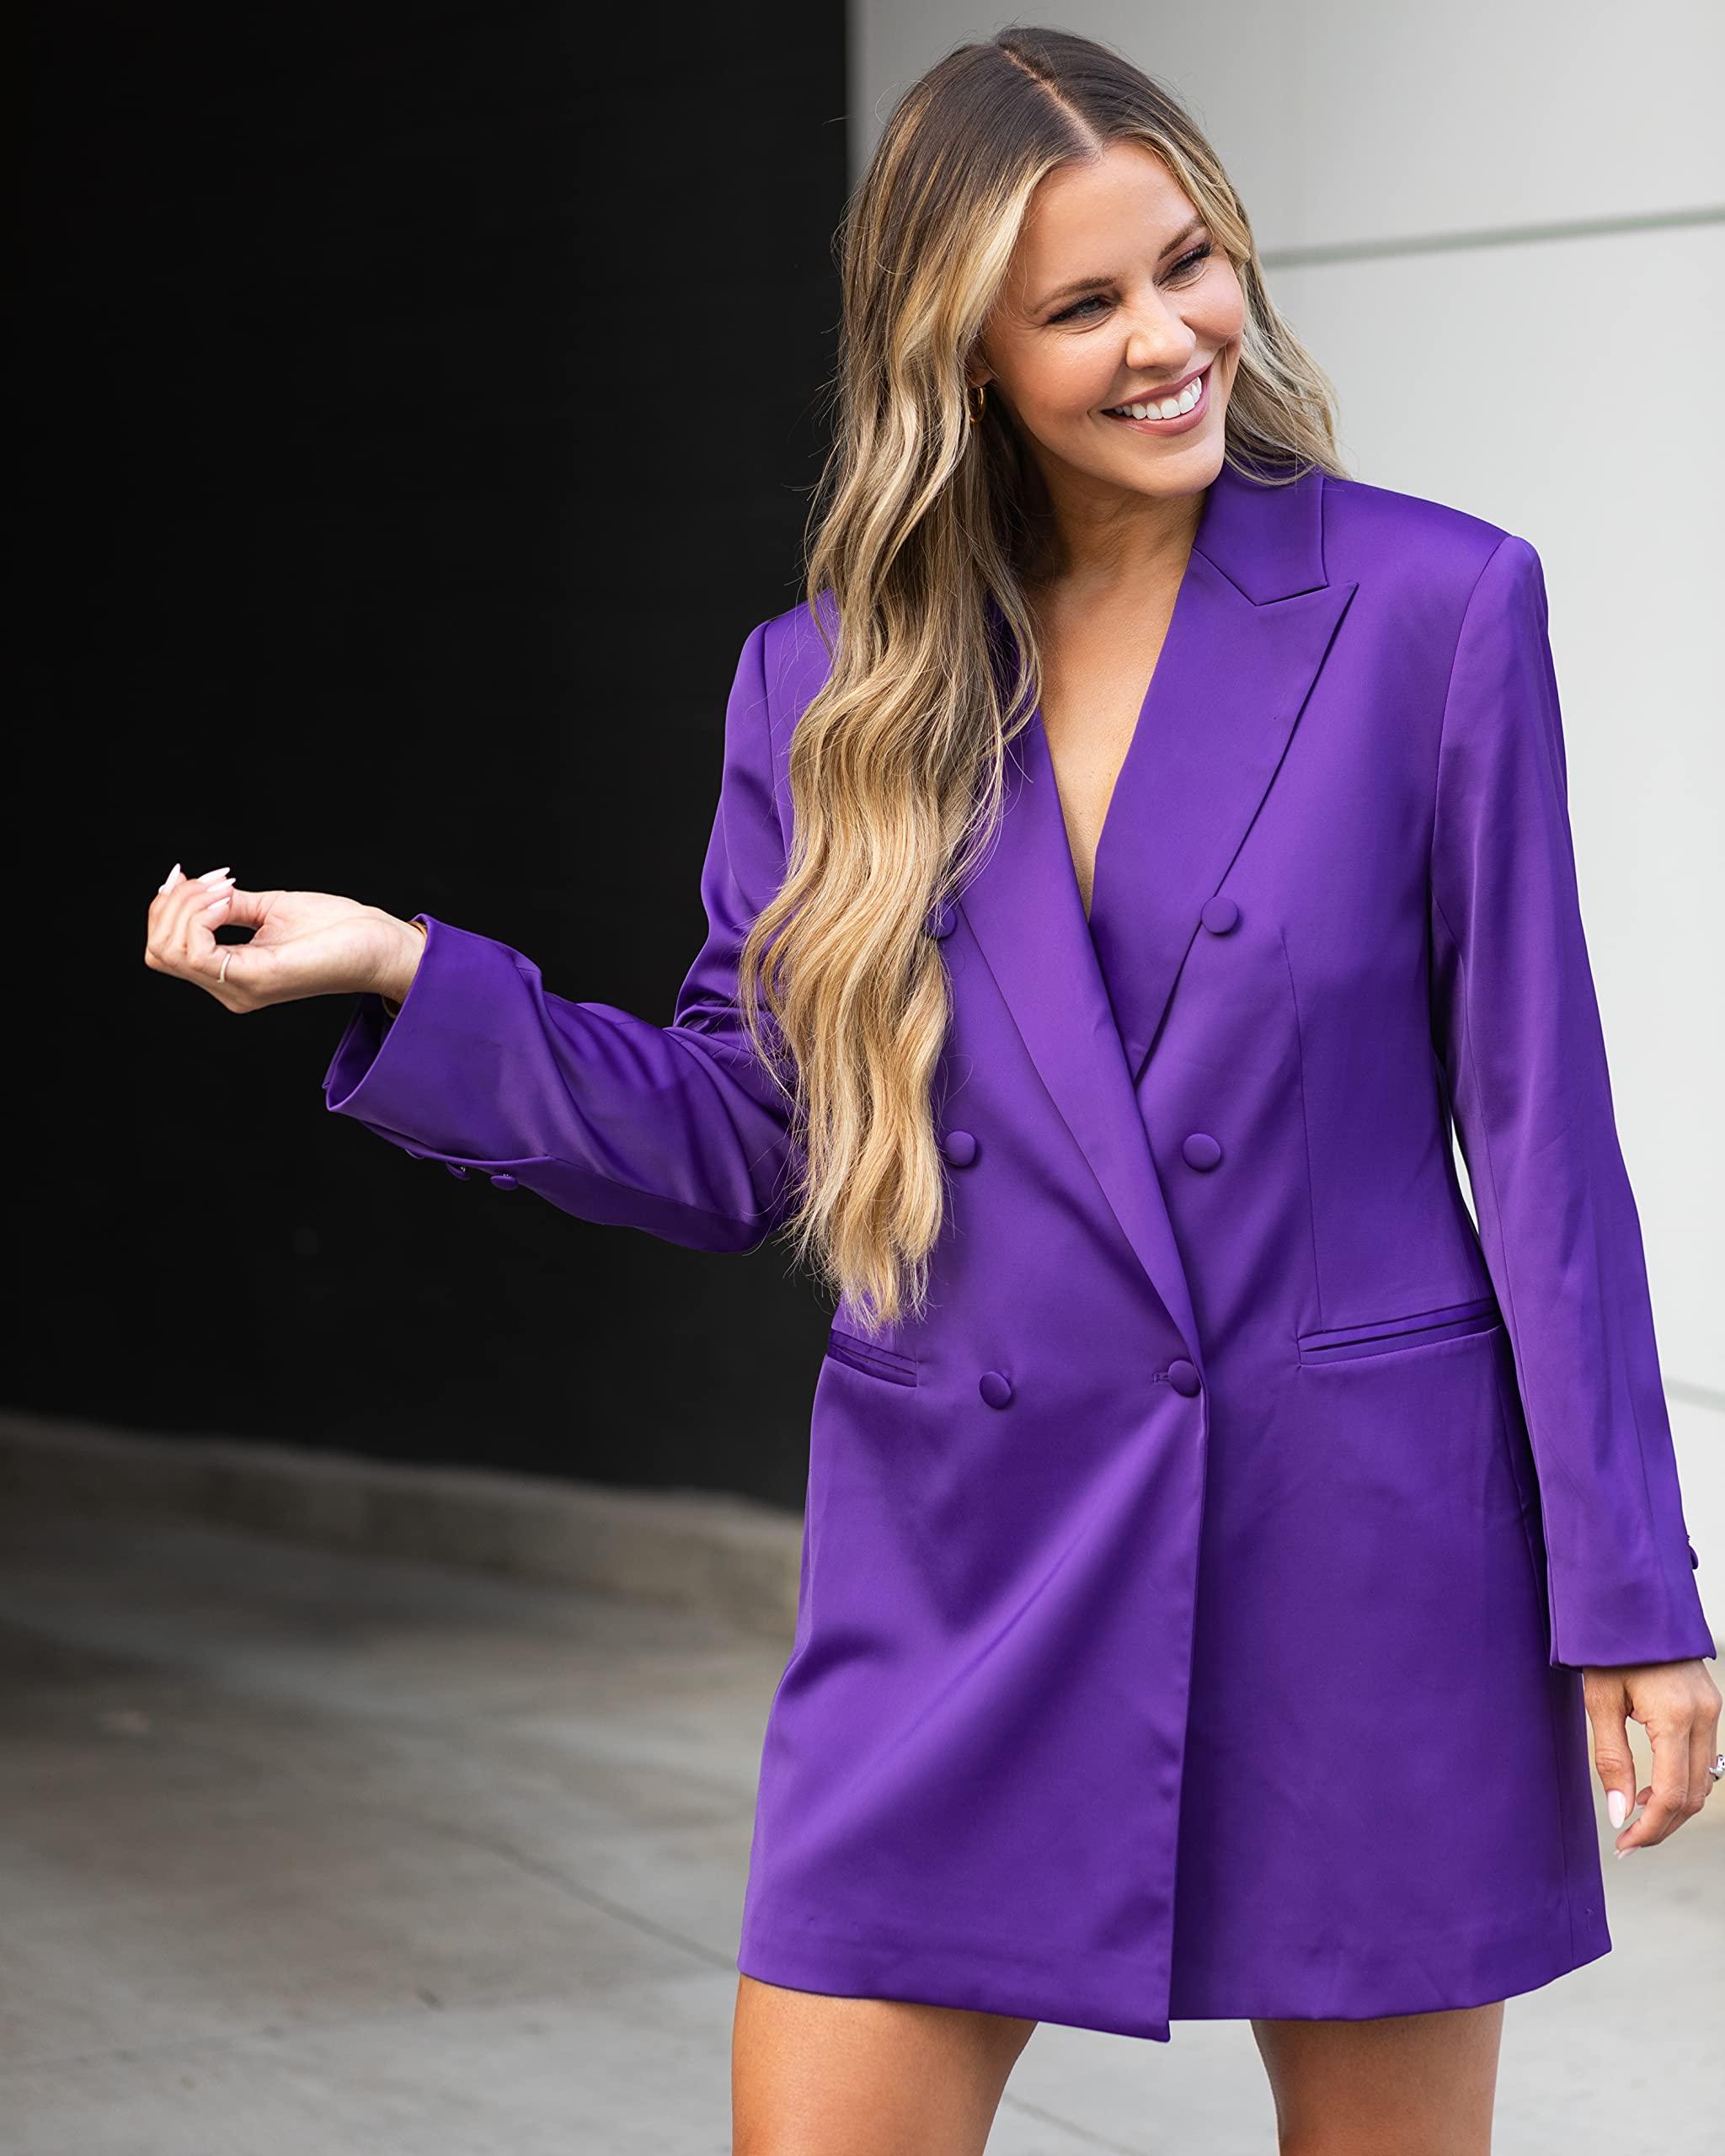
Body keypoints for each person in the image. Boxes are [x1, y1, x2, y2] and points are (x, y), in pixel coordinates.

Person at [145, 24, 1720, 2155]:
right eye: (1083, 306)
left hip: (1359, 1545)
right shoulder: (829, 690)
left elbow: (1543, 1138)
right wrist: (415, 977)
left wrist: (1629, 1592)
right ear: (961, 354)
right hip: (964, 1560)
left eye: (1189, 263)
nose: (1170, 339)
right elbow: (744, 1133)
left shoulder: (1434, 608)